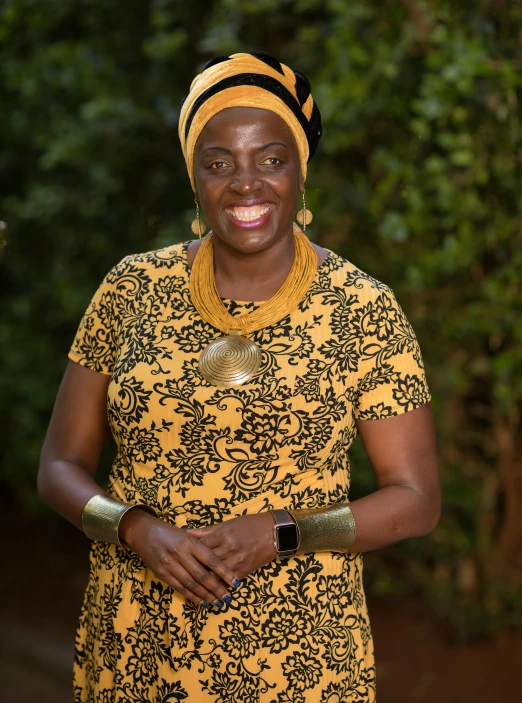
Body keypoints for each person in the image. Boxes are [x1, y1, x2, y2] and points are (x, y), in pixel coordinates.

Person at [38, 51, 440, 703]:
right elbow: (59, 464)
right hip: (140, 644)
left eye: (271, 159)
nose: (245, 183)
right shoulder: (131, 288)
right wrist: (138, 527)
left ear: (300, 173)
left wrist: (283, 530)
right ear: (194, 178)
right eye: (218, 161)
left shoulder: (361, 308)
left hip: (301, 658)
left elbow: (416, 498)